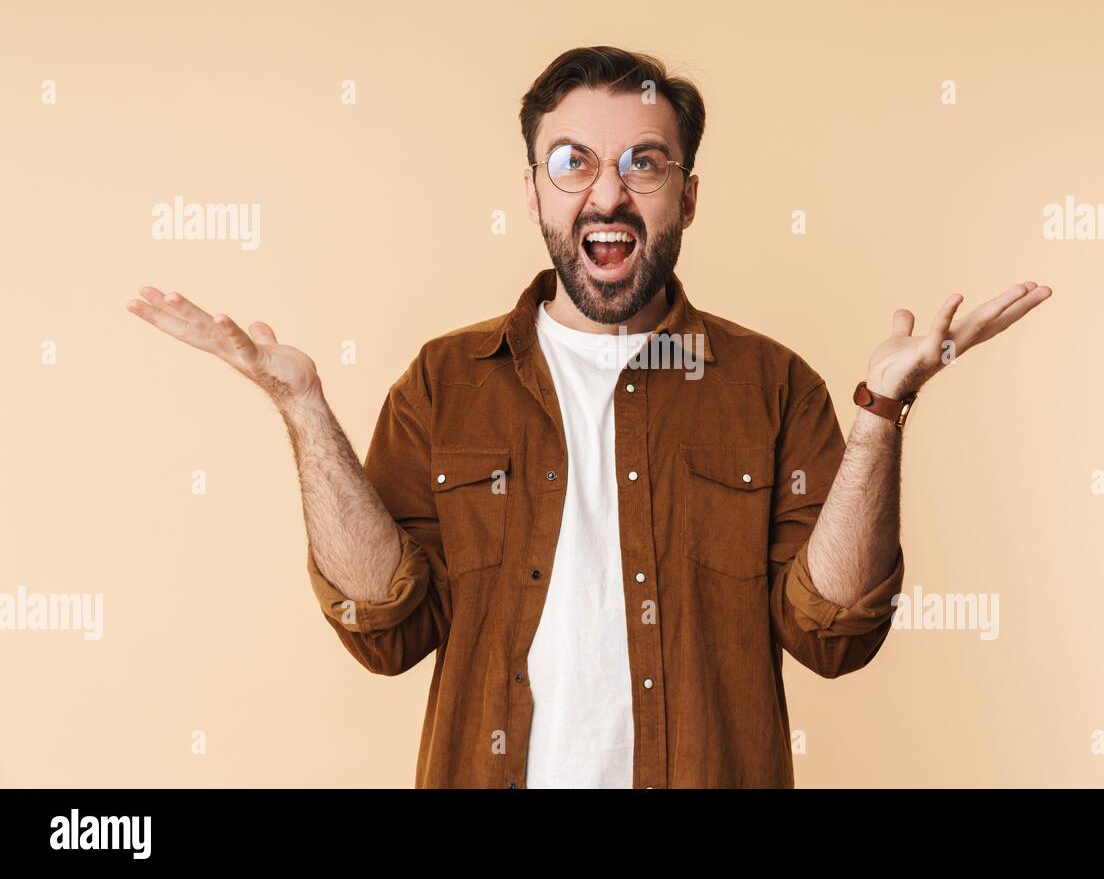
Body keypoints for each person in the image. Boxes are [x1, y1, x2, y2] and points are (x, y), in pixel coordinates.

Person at [126, 45, 1052, 788]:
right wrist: (303, 411)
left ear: (686, 194)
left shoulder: (770, 385)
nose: (607, 193)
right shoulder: (448, 380)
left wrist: (884, 410)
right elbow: (386, 628)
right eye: (574, 163)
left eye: (643, 162)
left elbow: (836, 633)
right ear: (533, 191)